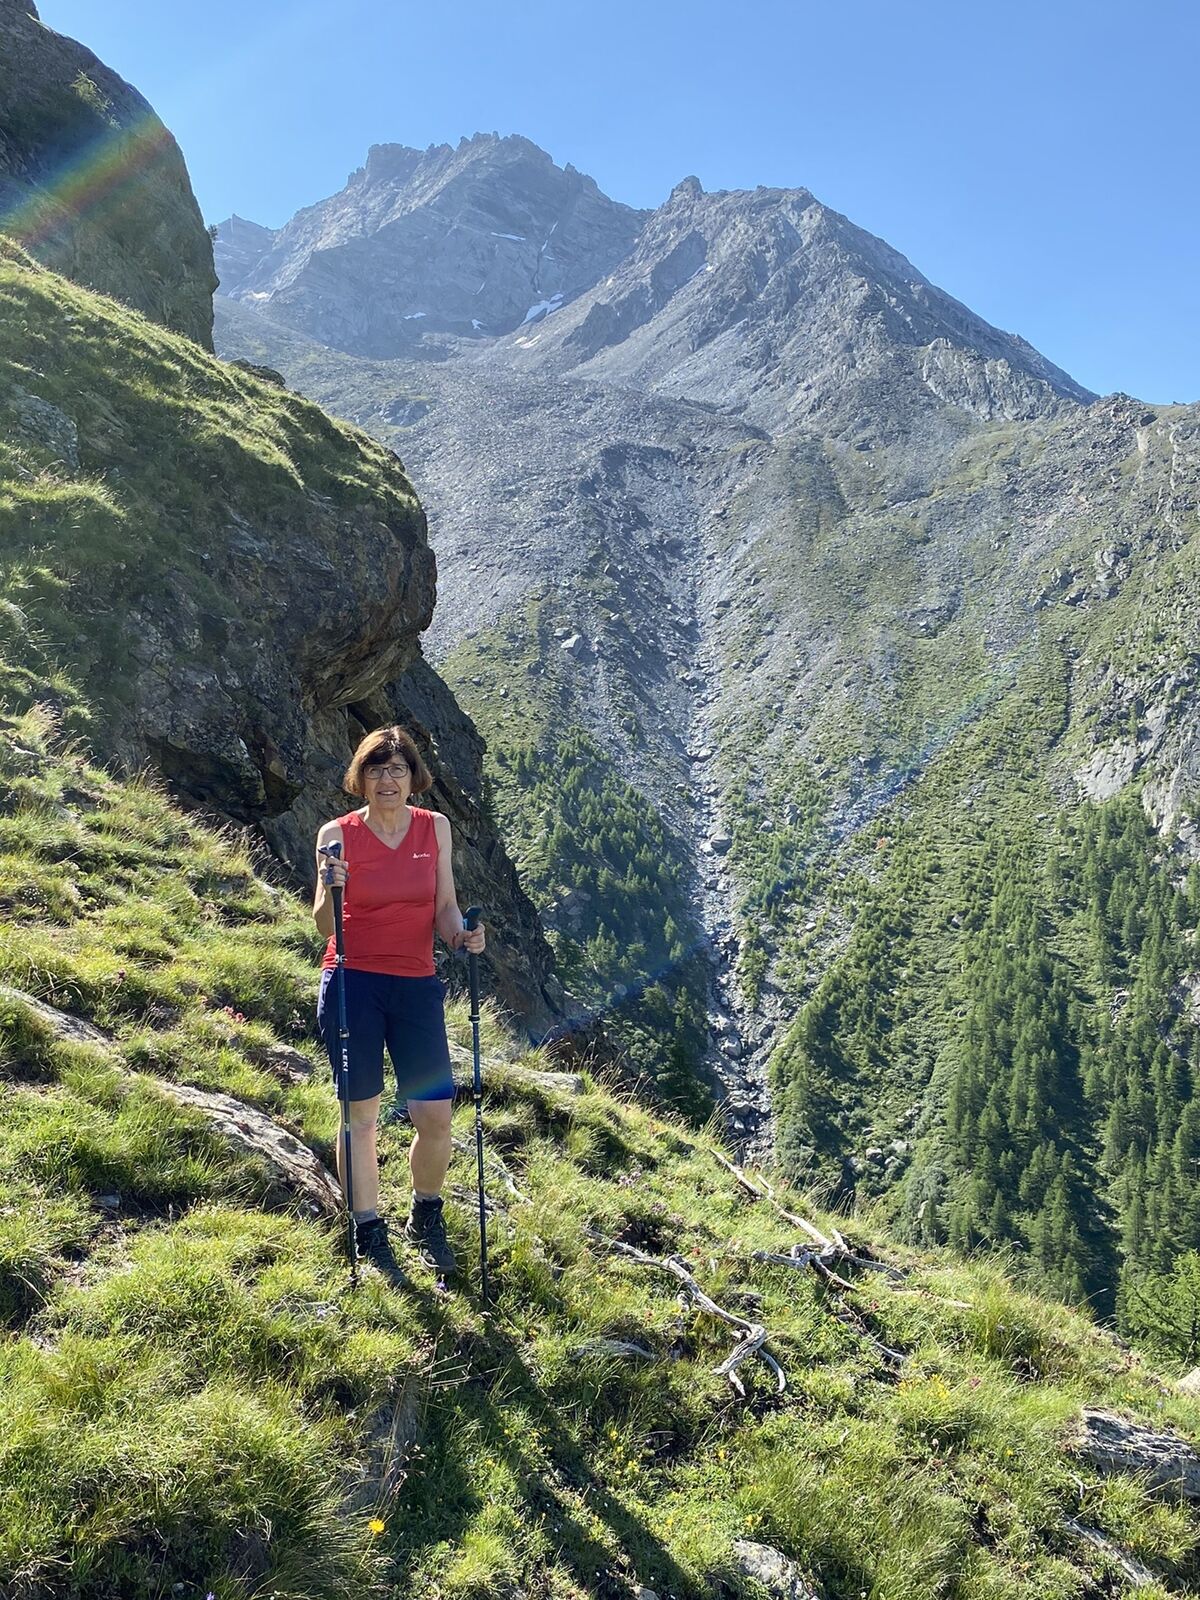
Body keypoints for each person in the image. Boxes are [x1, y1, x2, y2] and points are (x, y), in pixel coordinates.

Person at [313, 724, 486, 1281]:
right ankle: (367, 1227)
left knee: (435, 1115)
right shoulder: (336, 835)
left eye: (397, 769)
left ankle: (425, 1214)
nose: (387, 780)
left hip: (415, 985)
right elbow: (324, 925)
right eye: (376, 769)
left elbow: (444, 907)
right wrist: (331, 886)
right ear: (360, 778)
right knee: (360, 1115)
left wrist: (461, 936)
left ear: (414, 777)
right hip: (354, 983)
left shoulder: (435, 828)